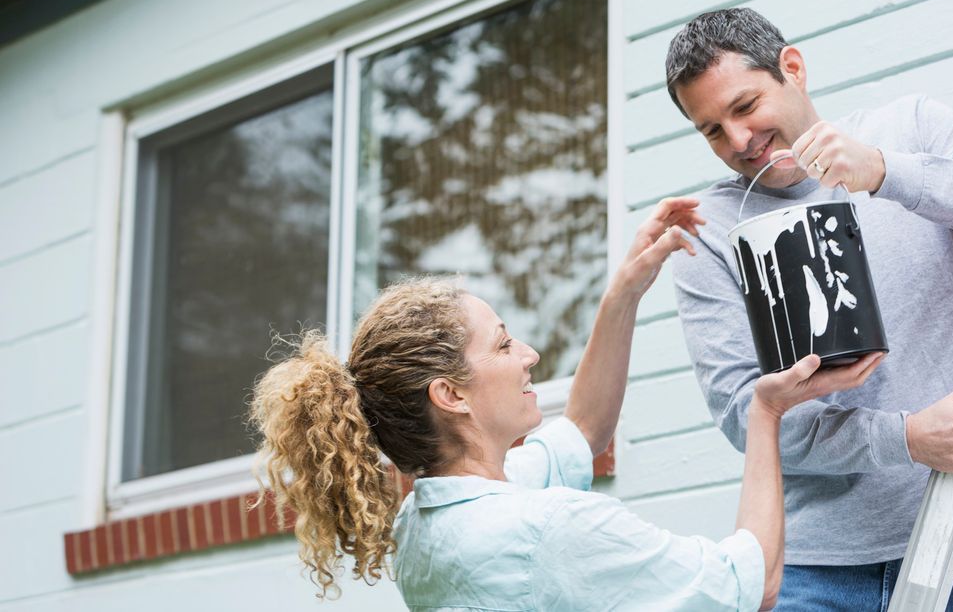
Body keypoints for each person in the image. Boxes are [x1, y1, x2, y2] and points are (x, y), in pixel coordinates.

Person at [250, 196, 883, 610]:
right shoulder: (547, 527)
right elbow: (755, 584)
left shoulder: (427, 523)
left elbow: (584, 426)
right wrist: (765, 414)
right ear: (450, 395)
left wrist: (625, 291)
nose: (527, 354)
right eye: (501, 345)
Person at [665, 8, 953, 610]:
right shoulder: (709, 229)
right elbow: (741, 412)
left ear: (792, 69)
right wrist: (906, 438)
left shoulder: (909, 129)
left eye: (745, 107)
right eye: (712, 131)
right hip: (812, 567)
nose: (739, 142)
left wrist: (887, 172)